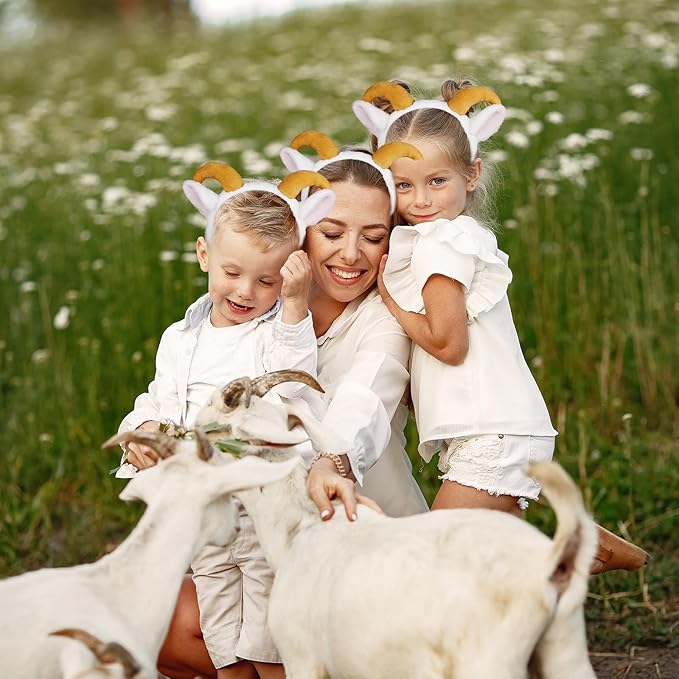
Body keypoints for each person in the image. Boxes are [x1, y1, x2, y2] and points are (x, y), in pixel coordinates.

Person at [353, 78, 650, 573]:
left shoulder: (441, 244)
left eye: (437, 181)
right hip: (497, 428)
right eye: (404, 185)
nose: (420, 199)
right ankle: (578, 547)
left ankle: (570, 553)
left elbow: (448, 343)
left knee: (432, 560)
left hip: (491, 435)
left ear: (471, 174)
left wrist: (392, 305)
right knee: (486, 567)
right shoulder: (454, 235)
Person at [155, 146, 429, 679]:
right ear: (299, 235)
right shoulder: (248, 311)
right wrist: (147, 428)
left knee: (282, 626)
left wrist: (332, 459)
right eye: (331, 232)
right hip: (267, 535)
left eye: (374, 237)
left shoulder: (383, 322)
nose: (351, 253)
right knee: (167, 615)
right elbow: (180, 388)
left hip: (360, 541)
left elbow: (361, 406)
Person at [118, 162, 337, 679]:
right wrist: (143, 428)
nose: (245, 292)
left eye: (266, 281)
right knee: (222, 638)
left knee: (269, 635)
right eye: (232, 273)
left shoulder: (274, 334)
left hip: (260, 507)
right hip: (203, 510)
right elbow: (161, 399)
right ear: (204, 255)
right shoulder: (181, 338)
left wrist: (293, 304)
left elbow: (290, 385)